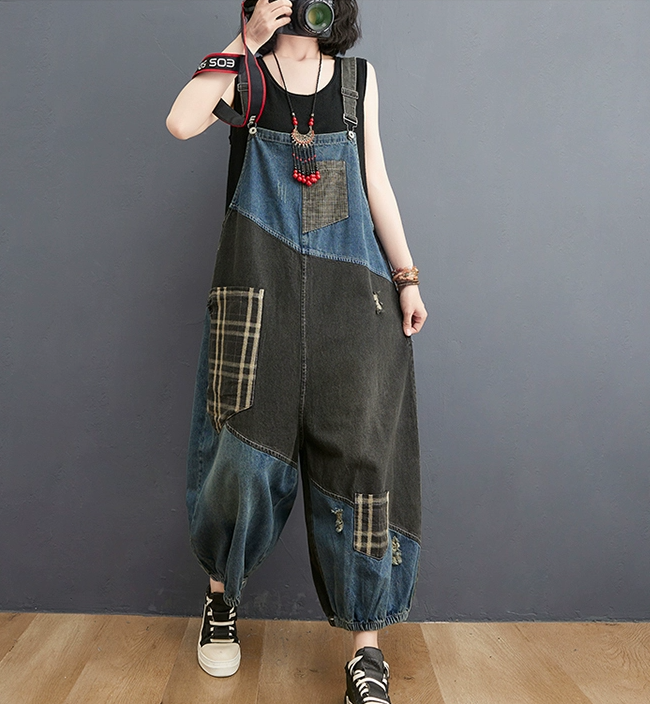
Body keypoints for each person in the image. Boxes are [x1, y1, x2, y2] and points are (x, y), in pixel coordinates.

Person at [166, 1, 427, 702]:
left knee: (362, 464)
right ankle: (221, 600)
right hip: (257, 302)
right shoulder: (244, 74)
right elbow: (182, 122)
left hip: (351, 301)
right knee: (241, 460)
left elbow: (375, 180)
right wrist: (243, 41)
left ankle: (366, 650)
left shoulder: (358, 80)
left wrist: (406, 277)